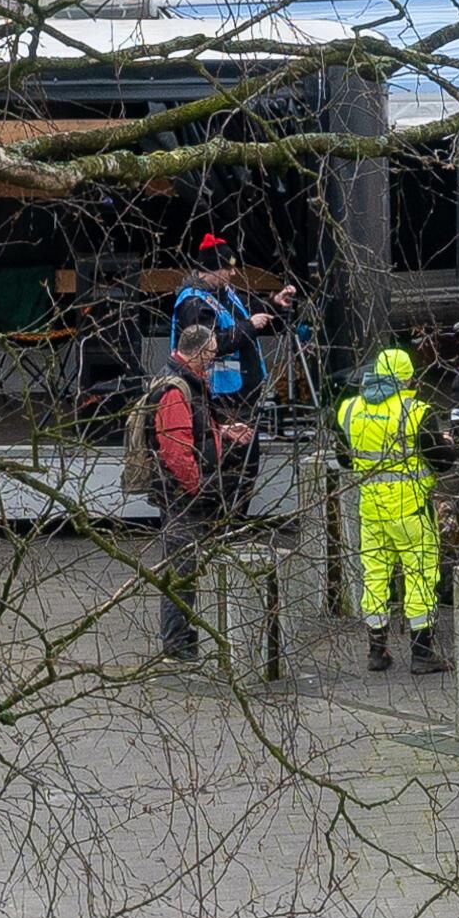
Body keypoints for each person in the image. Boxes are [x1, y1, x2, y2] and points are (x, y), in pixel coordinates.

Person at [336, 348, 459, 675]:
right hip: (412, 511)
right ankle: (422, 654)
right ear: (408, 378)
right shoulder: (416, 411)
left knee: (375, 577)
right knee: (420, 575)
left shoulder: (349, 408)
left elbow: (344, 459)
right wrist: (448, 441)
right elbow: (443, 461)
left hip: (371, 509)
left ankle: (377, 652)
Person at [148, 325, 253, 662]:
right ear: (194, 353)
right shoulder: (176, 390)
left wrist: (222, 433)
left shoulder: (182, 382)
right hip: (181, 496)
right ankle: (177, 643)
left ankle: (182, 637)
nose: (211, 361)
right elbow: (177, 451)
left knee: (185, 569)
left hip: (180, 492)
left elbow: (190, 433)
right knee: (181, 571)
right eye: (208, 355)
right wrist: (198, 488)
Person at [171, 234, 296, 515]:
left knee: (246, 467)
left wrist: (274, 305)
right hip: (220, 399)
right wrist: (249, 326)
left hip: (239, 397)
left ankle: (233, 524)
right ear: (212, 268)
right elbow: (209, 345)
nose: (233, 272)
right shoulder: (194, 304)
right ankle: (223, 525)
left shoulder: (224, 294)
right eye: (228, 267)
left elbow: (251, 317)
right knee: (231, 467)